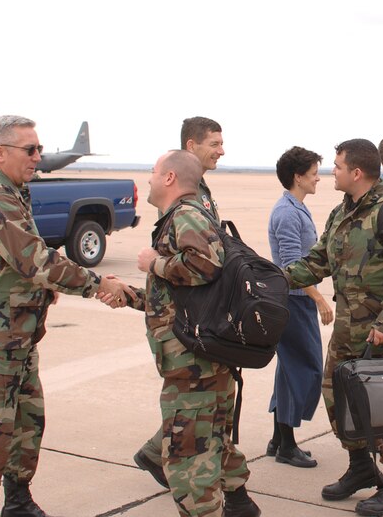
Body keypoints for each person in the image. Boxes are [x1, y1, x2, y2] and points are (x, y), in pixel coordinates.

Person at [0, 115, 131, 517]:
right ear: (0, 153)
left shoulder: (13, 189)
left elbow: (21, 263)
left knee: (27, 422)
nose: (38, 157)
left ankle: (18, 499)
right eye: (29, 150)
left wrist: (44, 290)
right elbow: (33, 258)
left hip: (18, 333)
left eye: (39, 150)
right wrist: (98, 284)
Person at [285, 139, 383, 517]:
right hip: (350, 330)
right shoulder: (340, 213)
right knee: (338, 398)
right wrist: (274, 279)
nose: (333, 171)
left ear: (357, 172)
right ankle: (361, 467)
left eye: (337, 166)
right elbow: (317, 261)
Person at [125, 150, 259, 517]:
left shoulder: (185, 215)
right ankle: (240, 504)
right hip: (199, 354)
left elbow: (204, 267)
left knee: (186, 456)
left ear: (169, 178)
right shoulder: (188, 215)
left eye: (153, 172)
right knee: (212, 439)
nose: (149, 178)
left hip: (191, 362)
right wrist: (133, 296)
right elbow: (187, 295)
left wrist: (153, 262)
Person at [265, 146, 334, 468]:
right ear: (298, 177)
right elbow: (292, 265)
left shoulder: (295, 208)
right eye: (313, 172)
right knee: (305, 370)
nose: (318, 177)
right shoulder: (287, 212)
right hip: (294, 302)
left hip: (295, 300)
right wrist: (318, 298)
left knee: (289, 370)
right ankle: (288, 446)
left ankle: (279, 439)